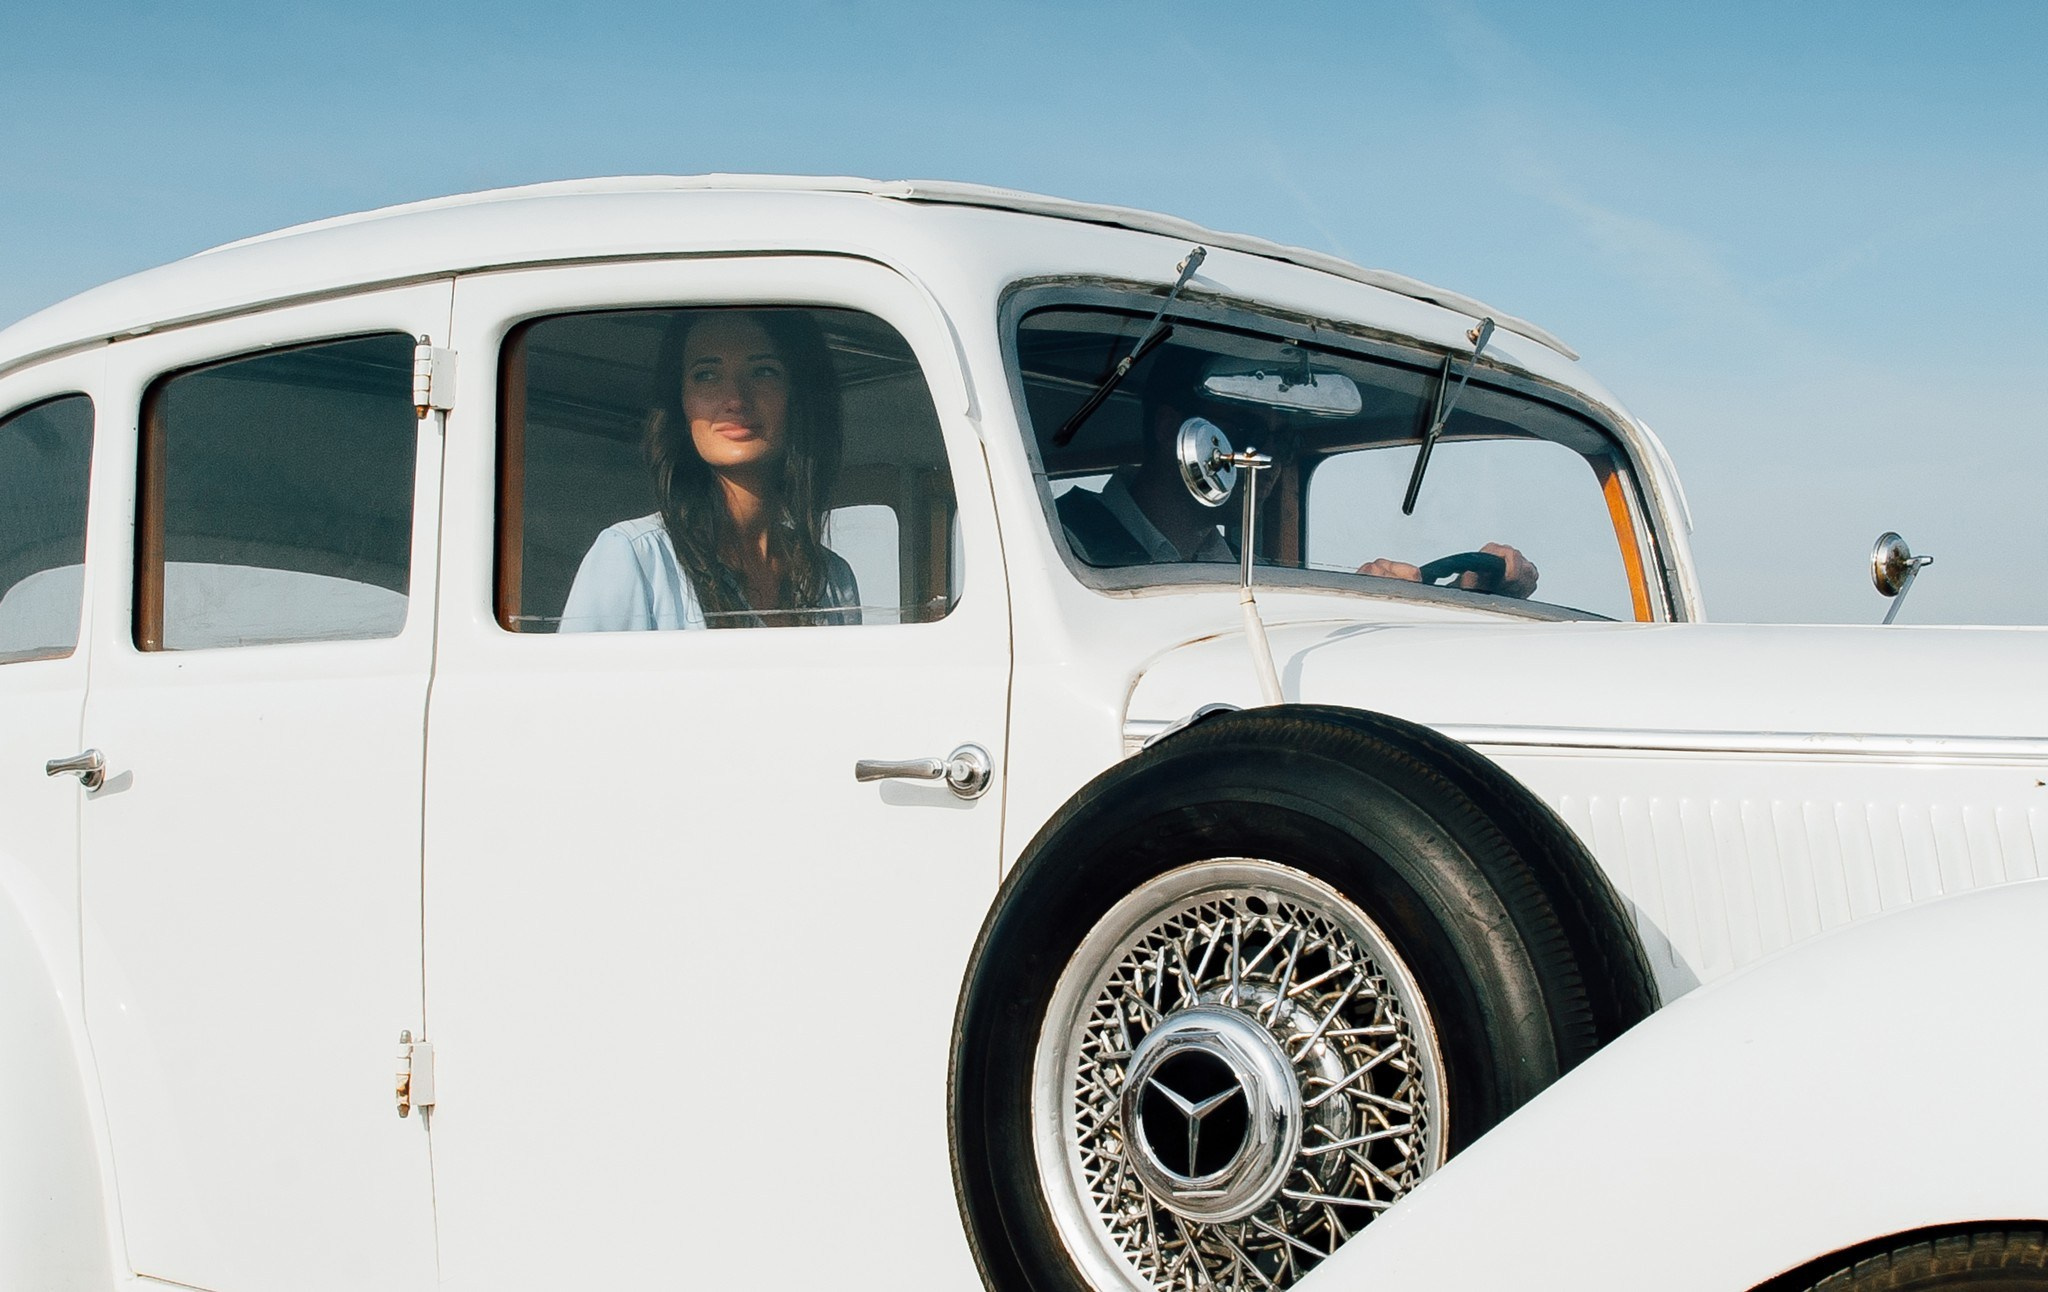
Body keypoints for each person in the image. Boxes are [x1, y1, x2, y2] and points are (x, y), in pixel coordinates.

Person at [1056, 349, 1539, 598]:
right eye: (1246, 428)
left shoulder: (1250, 575)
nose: (1269, 458)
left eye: (1283, 442)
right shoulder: (1062, 549)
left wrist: (1451, 595)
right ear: (1170, 429)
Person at [559, 309, 860, 631]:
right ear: (682, 402)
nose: (735, 400)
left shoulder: (831, 578)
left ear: (797, 395)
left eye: (763, 372)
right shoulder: (634, 555)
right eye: (706, 375)